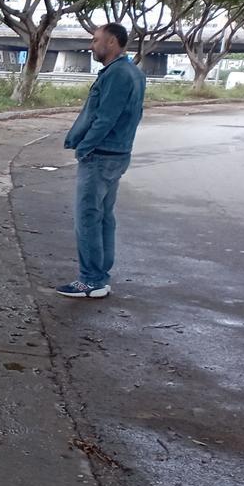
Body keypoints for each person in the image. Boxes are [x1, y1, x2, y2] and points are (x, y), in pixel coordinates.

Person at [57, 22, 146, 299]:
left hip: (101, 156)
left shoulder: (118, 74)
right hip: (116, 154)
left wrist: (85, 148)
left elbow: (105, 118)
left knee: (87, 218)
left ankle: (91, 279)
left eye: (96, 40)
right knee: (104, 217)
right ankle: (100, 277)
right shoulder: (133, 73)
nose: (92, 45)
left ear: (111, 43)